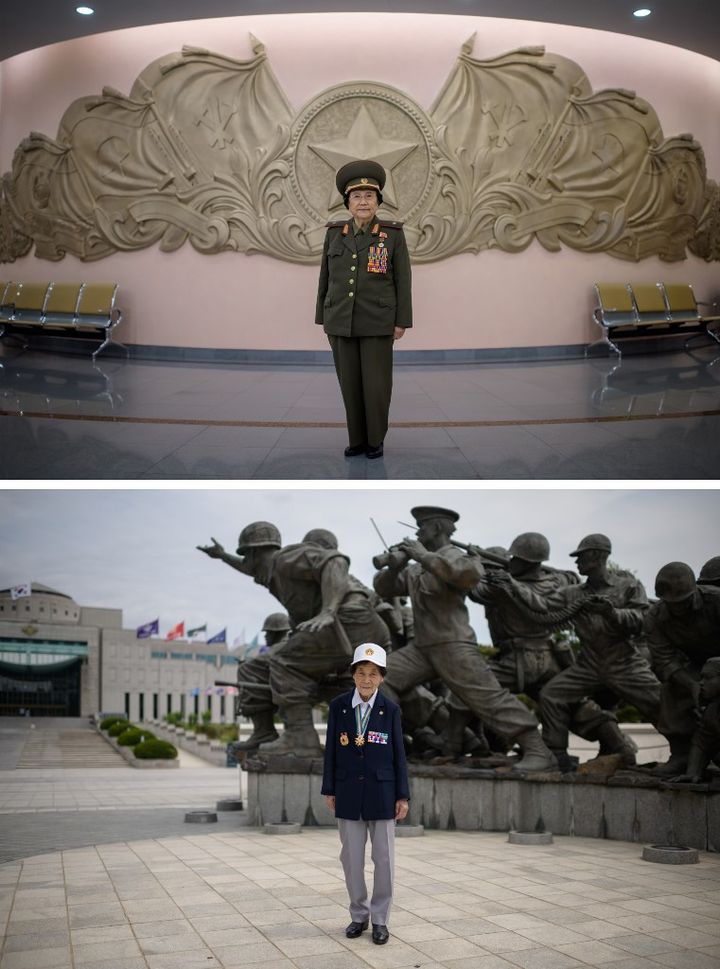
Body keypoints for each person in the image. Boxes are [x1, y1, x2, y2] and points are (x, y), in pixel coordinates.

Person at [373, 506, 558, 771]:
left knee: (487, 698)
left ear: (437, 528)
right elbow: (384, 587)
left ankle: (538, 750)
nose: (418, 532)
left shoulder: (460, 559)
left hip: (453, 644)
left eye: (422, 527)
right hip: (422, 648)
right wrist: (395, 567)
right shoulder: (416, 567)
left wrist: (423, 556)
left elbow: (466, 577)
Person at [197, 521, 389, 757]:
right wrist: (223, 556)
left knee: (281, 661)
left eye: (246, 556)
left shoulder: (285, 558)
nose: (246, 564)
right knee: (254, 667)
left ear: (255, 552)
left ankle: (301, 739)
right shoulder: (273, 573)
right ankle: (264, 732)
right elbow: (248, 569)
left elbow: (334, 560)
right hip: (351, 626)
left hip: (350, 622)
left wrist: (328, 611)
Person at [315, 159, 412, 460]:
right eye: (356, 196)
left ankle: (375, 440)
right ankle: (357, 440)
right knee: (350, 386)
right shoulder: (334, 233)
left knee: (376, 387)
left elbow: (403, 279)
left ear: (378, 201)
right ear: (348, 202)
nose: (363, 201)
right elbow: (325, 277)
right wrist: (323, 317)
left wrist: (401, 321)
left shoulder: (392, 234)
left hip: (378, 321)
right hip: (340, 320)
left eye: (369, 196)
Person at [538, 534, 661, 766]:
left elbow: (643, 621)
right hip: (589, 664)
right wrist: (511, 585)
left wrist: (611, 613)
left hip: (623, 660)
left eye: (581, 557)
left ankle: (690, 752)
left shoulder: (629, 586)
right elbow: (541, 604)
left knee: (660, 703)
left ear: (599, 556)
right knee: (551, 695)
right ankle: (556, 754)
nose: (577, 562)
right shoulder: (572, 593)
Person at [321, 643, 409, 946]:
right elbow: (331, 750)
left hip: (383, 795)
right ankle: (358, 914)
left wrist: (403, 796)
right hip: (347, 792)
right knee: (350, 859)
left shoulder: (391, 710)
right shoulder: (339, 707)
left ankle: (380, 919)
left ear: (382, 677)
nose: (367, 679)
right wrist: (329, 789)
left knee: (384, 859)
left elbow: (399, 755)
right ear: (353, 675)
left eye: (373, 674)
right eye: (361, 673)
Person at [644, 562, 720, 775]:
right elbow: (665, 659)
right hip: (698, 665)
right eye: (671, 603)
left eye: (683, 602)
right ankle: (681, 754)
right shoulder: (655, 617)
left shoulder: (715, 600)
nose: (678, 608)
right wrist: (692, 685)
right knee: (670, 690)